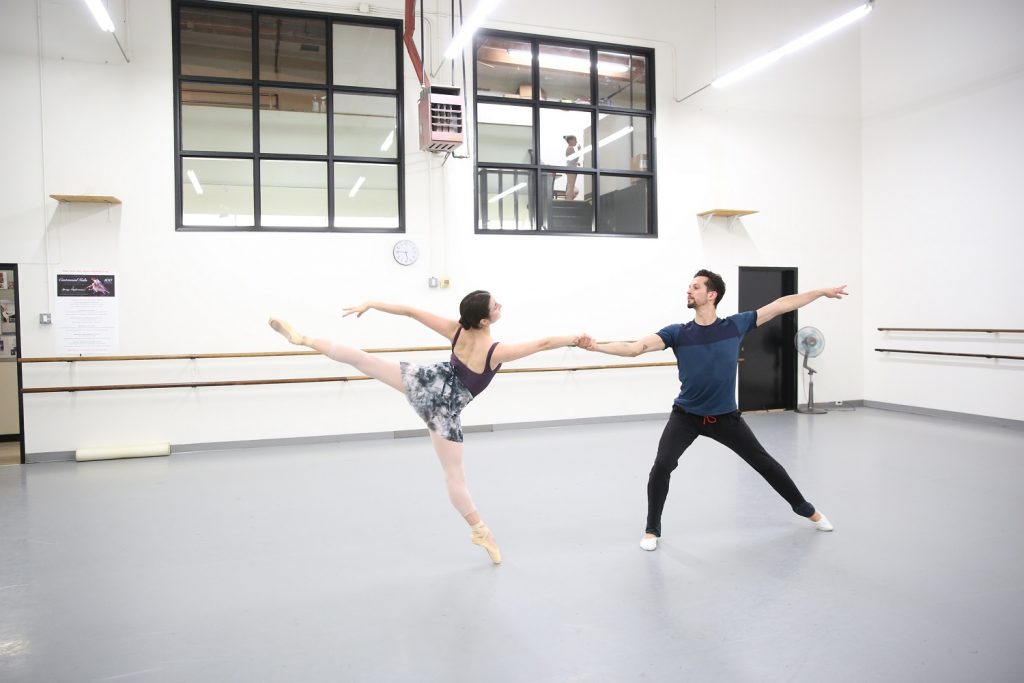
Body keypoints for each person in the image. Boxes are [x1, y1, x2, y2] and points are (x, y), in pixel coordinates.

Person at [269, 291, 584, 564]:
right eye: (495, 306)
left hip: (425, 382)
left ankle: (304, 339)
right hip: (443, 411)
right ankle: (480, 531)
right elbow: (543, 343)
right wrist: (575, 339)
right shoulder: (496, 351)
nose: (500, 305)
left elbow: (409, 311)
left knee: (365, 361)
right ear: (484, 321)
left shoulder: (456, 330)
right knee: (454, 476)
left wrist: (372, 303)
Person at [579, 269, 847, 551]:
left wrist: (821, 292)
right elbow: (635, 348)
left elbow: (781, 305)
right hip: (686, 417)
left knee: (764, 463)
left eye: (695, 287)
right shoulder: (678, 333)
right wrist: (595, 346)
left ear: (712, 295)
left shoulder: (735, 325)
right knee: (662, 466)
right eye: (689, 286)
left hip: (725, 418)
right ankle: (651, 529)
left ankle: (807, 510)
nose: (689, 290)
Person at [563, 135, 582, 201]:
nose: (576, 142)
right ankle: (568, 200)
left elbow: (571, 160)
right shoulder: (570, 148)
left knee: (573, 188)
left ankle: (569, 198)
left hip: (571, 168)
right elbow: (574, 158)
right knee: (571, 187)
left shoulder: (570, 148)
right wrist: (579, 151)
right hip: (571, 170)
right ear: (570, 141)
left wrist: (576, 163)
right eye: (575, 140)